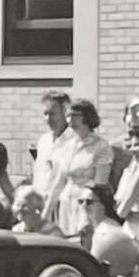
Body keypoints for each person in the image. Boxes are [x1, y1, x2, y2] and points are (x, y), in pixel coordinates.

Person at [48, 100, 117, 238]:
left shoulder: (101, 146)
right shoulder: (67, 145)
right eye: (68, 115)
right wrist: (45, 215)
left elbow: (100, 185)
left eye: (75, 115)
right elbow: (58, 182)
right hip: (66, 204)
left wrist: (90, 215)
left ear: (87, 116)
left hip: (85, 205)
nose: (70, 120)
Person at [28, 91, 76, 220]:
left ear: (65, 112)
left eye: (52, 114)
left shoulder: (75, 141)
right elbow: (38, 174)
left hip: (63, 208)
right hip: (40, 204)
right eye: (45, 114)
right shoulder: (44, 141)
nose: (48, 119)